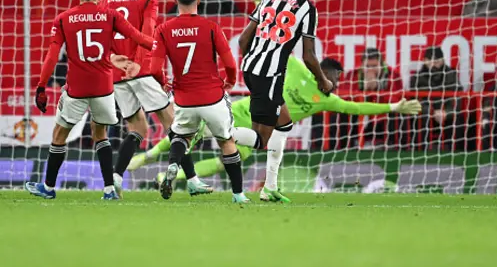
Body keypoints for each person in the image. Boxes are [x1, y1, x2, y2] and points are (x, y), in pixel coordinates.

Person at [128, 56, 422, 201]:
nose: (336, 81)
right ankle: (150, 158)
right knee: (202, 138)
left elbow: (358, 108)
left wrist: (392, 107)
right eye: (335, 76)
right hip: (243, 112)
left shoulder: (326, 99)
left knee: (221, 151)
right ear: (326, 72)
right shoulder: (295, 67)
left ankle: (166, 170)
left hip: (250, 121)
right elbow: (277, 44)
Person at [25, 0, 153, 200]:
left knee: (59, 134)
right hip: (104, 86)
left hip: (77, 87)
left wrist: (42, 86)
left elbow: (52, 57)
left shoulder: (64, 18)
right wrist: (163, 46)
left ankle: (48, 187)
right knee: (100, 133)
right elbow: (139, 37)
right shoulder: (110, 15)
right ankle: (108, 190)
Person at [100, 0, 209, 198]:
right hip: (140, 70)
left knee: (137, 128)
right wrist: (143, 66)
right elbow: (147, 35)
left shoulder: (104, 4)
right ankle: (192, 180)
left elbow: (102, 39)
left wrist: (114, 60)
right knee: (174, 124)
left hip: (117, 74)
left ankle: (116, 178)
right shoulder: (147, 0)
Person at [234, 0, 333, 202]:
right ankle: (210, 130)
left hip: (252, 68)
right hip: (269, 75)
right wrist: (323, 80)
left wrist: (255, 60)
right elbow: (309, 55)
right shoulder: (308, 8)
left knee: (284, 123)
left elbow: (243, 38)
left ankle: (269, 187)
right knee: (261, 140)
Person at [149, 0, 247, 202]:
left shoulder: (164, 29)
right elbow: (230, 63)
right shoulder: (211, 27)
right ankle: (238, 195)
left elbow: (154, 68)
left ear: (175, 1)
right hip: (212, 96)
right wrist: (230, 81)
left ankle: (173, 165)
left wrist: (164, 81)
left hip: (184, 99)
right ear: (199, 0)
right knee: (226, 141)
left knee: (181, 136)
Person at [410, 46, 462, 148]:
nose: (433, 64)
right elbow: (416, 100)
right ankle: (420, 150)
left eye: (437, 61)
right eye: (430, 60)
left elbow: (457, 98)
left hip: (446, 113)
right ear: (425, 61)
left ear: (443, 60)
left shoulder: (451, 75)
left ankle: (455, 151)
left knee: (458, 117)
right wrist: (431, 111)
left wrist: (446, 112)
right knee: (419, 116)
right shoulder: (417, 78)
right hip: (427, 113)